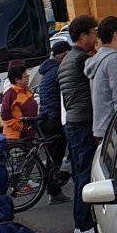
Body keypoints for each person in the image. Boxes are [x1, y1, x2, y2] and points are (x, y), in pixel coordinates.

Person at [57, 14, 99, 233]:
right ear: (83, 35)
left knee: (81, 175)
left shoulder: (66, 59)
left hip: (73, 123)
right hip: (83, 123)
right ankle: (83, 227)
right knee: (84, 175)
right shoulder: (82, 59)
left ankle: (82, 226)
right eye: (94, 33)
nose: (96, 37)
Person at [86, 16, 117, 143]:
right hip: (115, 130)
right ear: (116, 35)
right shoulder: (115, 59)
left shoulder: (100, 57)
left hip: (103, 126)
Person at [37, 41, 71, 205]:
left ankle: (54, 191)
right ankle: (54, 191)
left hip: (46, 119)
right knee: (56, 158)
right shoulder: (57, 72)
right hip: (54, 119)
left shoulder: (47, 71)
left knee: (53, 157)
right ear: (64, 55)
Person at [0, 60, 39, 141]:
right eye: (25, 76)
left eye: (27, 75)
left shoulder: (26, 89)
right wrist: (19, 127)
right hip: (15, 137)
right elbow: (4, 114)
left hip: (29, 134)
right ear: (17, 80)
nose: (28, 78)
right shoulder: (10, 94)